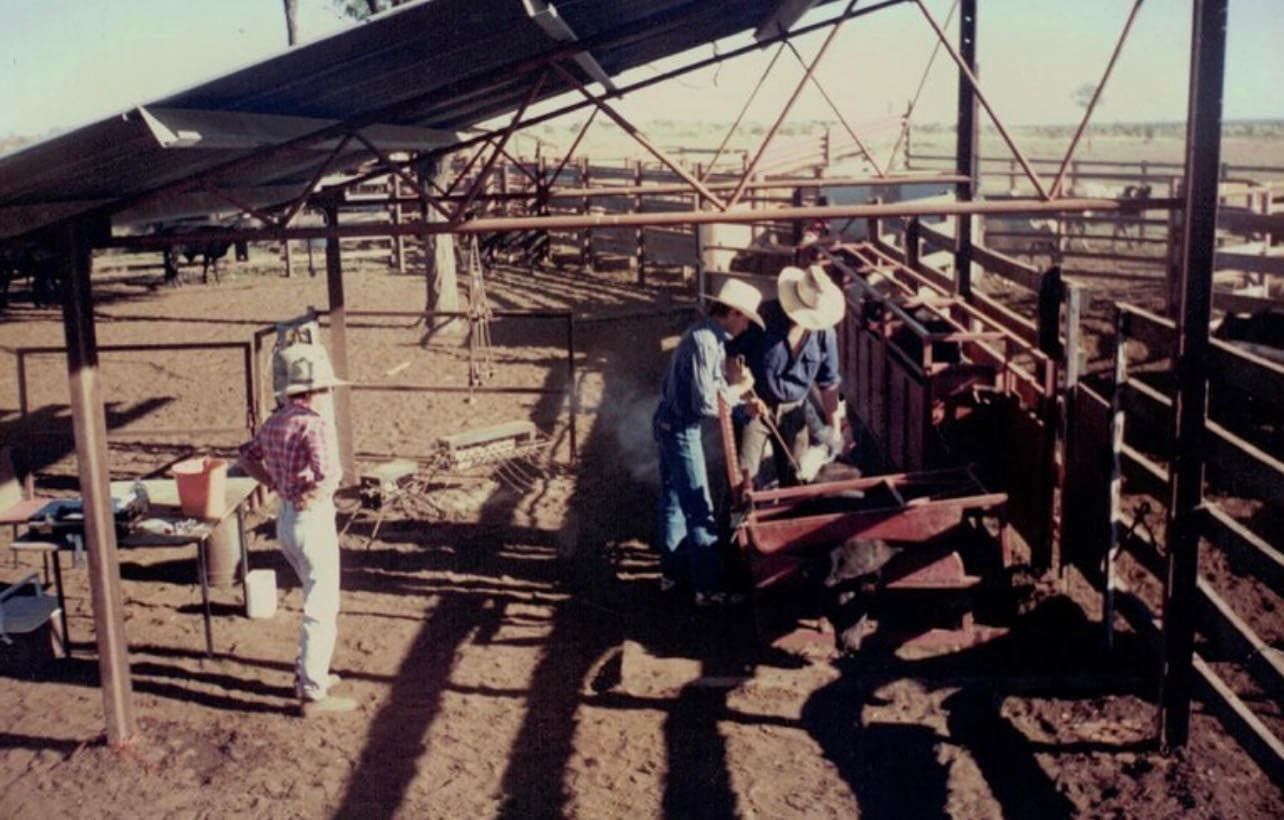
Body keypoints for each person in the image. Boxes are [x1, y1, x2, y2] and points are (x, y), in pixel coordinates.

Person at [238, 344, 356, 717]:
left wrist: (273, 483)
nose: (328, 395)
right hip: (311, 517)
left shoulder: (276, 421)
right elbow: (331, 474)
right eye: (325, 389)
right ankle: (312, 692)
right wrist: (313, 494)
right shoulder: (315, 424)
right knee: (322, 605)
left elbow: (246, 455)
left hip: (286, 519)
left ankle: (310, 671)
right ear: (312, 391)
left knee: (311, 593)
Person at [654, 278, 764, 607]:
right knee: (699, 506)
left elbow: (714, 394)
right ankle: (708, 588)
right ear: (731, 312)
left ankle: (672, 575)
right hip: (682, 427)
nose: (746, 325)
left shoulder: (706, 337)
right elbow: (707, 403)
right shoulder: (706, 342)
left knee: (675, 501)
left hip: (669, 421)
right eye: (744, 318)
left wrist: (743, 409)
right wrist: (743, 388)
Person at [729, 263, 846, 490]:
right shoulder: (761, 318)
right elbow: (732, 357)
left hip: (795, 409)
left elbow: (829, 384)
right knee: (745, 478)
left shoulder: (824, 334)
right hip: (757, 404)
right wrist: (743, 396)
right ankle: (737, 516)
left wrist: (835, 431)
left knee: (796, 478)